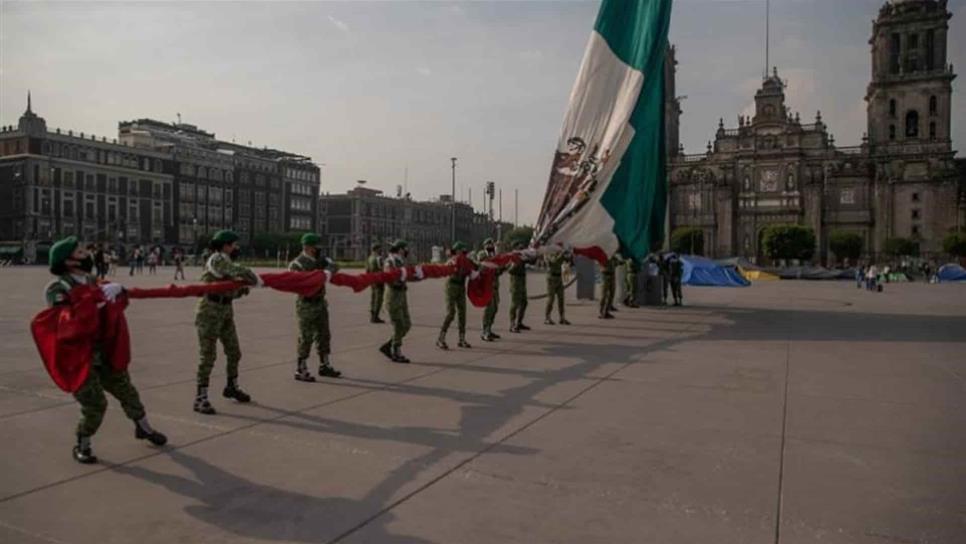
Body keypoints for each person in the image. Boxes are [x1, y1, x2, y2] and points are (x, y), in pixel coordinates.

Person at [43, 236, 167, 464]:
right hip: (80, 356)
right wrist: (92, 303)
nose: (87, 254)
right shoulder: (58, 288)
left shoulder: (92, 280)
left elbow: (114, 301)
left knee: (127, 391)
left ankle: (143, 428)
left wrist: (117, 290)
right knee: (95, 404)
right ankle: (82, 443)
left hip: (105, 350)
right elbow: (64, 322)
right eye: (81, 252)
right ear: (68, 261)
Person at [193, 230, 261, 415]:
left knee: (234, 351)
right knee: (208, 356)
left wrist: (242, 288)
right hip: (209, 311)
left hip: (225, 310)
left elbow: (231, 287)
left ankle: (232, 386)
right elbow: (237, 272)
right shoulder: (217, 259)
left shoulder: (226, 261)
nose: (236, 248)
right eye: (233, 244)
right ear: (224, 246)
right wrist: (252, 277)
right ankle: (201, 398)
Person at [289, 233, 342, 381]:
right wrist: (319, 275)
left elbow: (335, 266)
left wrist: (326, 271)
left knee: (324, 335)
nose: (318, 249)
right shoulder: (297, 264)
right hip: (306, 304)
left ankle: (324, 365)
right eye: (315, 246)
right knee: (305, 337)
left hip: (320, 302)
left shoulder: (321, 260)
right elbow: (297, 283)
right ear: (307, 247)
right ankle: (301, 369)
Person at [380, 240, 415, 363]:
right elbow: (390, 278)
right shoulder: (390, 261)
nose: (406, 251)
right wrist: (401, 279)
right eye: (405, 249)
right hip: (393, 295)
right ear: (400, 249)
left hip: (401, 295)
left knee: (407, 325)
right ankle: (396, 351)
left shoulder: (400, 261)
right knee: (399, 324)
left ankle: (388, 346)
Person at [437, 241, 474, 350]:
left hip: (461, 287)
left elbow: (473, 268)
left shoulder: (466, 260)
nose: (464, 252)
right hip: (452, 287)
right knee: (451, 313)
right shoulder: (452, 261)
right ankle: (441, 338)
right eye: (462, 250)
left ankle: (461, 339)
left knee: (462, 313)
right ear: (457, 251)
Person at [477, 238, 504, 341]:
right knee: (489, 309)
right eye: (489, 244)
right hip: (487, 286)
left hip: (495, 287)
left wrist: (502, 267)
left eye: (492, 244)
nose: (491, 246)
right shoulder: (482, 254)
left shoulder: (494, 255)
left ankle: (489, 328)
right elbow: (485, 265)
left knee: (495, 308)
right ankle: (485, 331)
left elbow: (497, 270)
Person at [507, 241, 531, 333]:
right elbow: (509, 270)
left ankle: (519, 322)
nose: (521, 249)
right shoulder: (512, 257)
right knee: (514, 304)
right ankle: (512, 324)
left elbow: (531, 261)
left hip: (522, 282)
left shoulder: (522, 256)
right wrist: (517, 263)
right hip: (515, 283)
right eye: (519, 247)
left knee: (524, 303)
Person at [544, 249, 572, 325]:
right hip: (551, 279)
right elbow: (554, 261)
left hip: (559, 278)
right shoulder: (548, 253)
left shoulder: (559, 253)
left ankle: (562, 318)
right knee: (551, 299)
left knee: (561, 299)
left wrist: (568, 255)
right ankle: (547, 317)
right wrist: (562, 254)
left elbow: (567, 260)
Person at [366, 243, 386, 323]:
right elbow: (383, 269)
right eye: (380, 248)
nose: (381, 250)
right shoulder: (379, 258)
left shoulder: (369, 258)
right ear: (377, 249)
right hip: (378, 280)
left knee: (373, 297)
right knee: (378, 299)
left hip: (372, 280)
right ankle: (375, 317)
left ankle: (372, 315)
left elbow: (367, 270)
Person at [598, 254, 618, 319]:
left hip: (612, 275)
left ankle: (606, 311)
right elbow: (600, 263)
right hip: (605, 276)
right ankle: (601, 312)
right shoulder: (602, 255)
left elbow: (617, 263)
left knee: (611, 294)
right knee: (603, 295)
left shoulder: (613, 256)